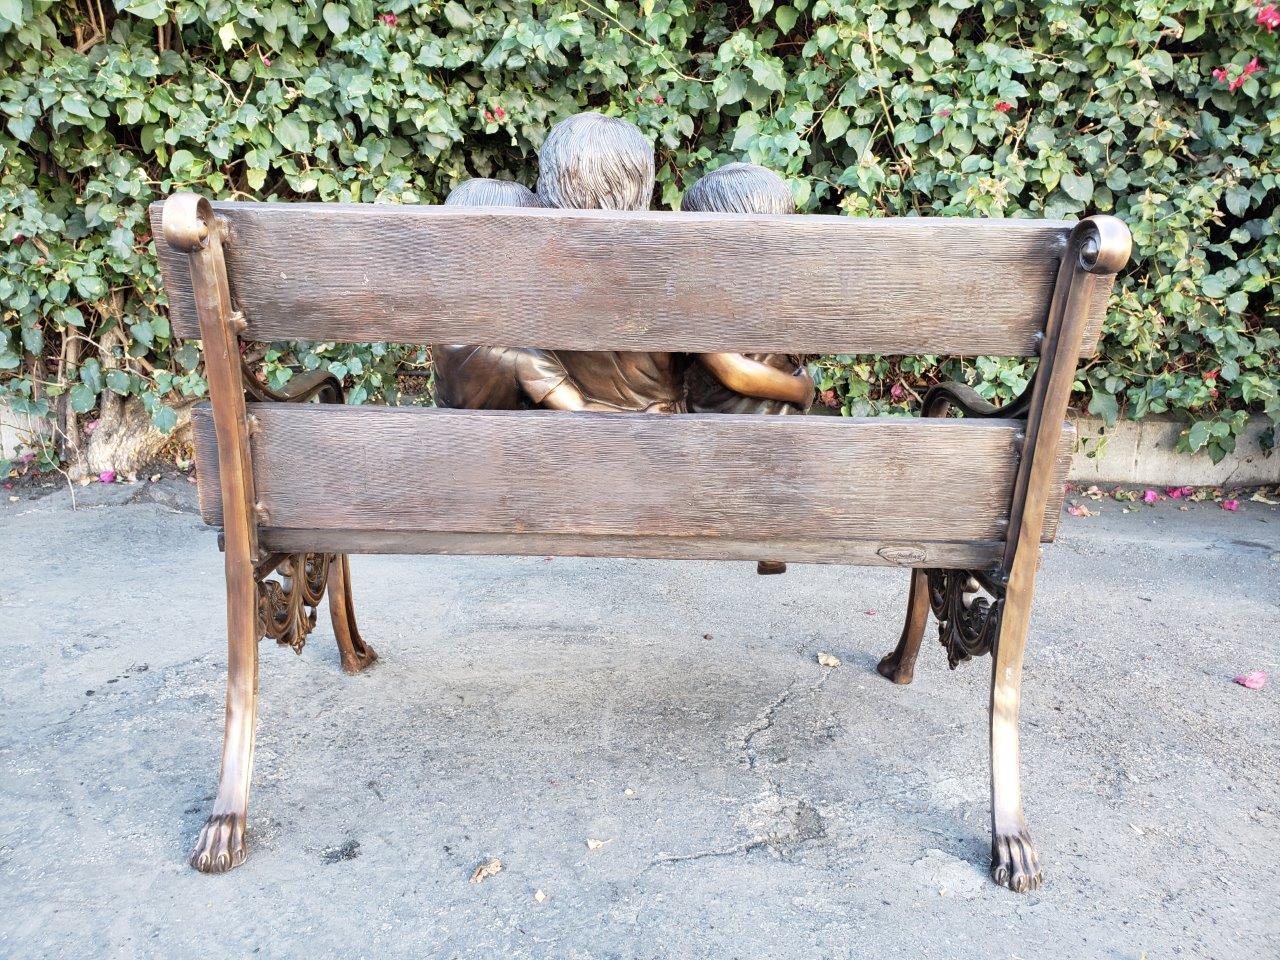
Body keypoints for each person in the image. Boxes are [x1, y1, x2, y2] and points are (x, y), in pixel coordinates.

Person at [432, 178, 615, 412]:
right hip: (509, 446)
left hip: (451, 441)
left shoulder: (445, 335)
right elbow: (581, 409)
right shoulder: (521, 357)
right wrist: (645, 414)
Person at [680, 162, 815, 416]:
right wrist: (801, 390)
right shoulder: (712, 299)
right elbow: (731, 370)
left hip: (755, 428)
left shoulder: (771, 293)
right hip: (728, 428)